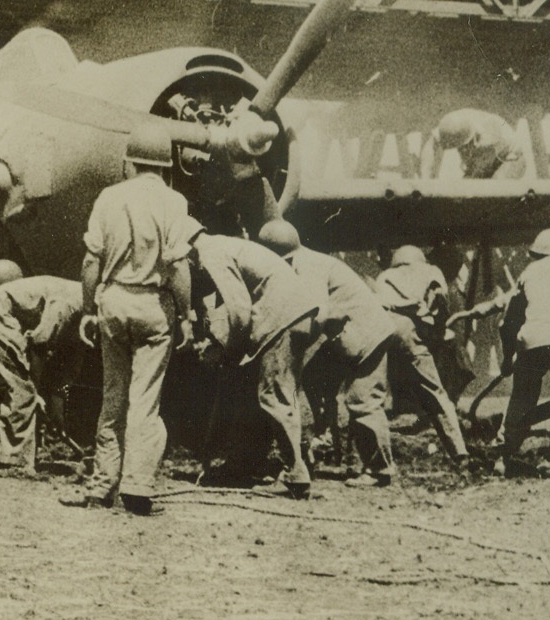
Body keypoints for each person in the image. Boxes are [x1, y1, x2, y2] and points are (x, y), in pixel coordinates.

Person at [61, 149, 200, 510]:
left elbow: (91, 259)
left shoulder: (109, 196)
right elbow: (179, 265)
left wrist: (89, 309)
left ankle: (101, 486)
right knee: (145, 401)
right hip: (154, 304)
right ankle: (137, 488)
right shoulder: (175, 200)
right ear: (167, 166)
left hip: (114, 301)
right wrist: (186, 315)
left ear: (129, 163)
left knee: (113, 397)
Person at [258, 220, 397, 488]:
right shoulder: (304, 260)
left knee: (363, 401)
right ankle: (315, 447)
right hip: (350, 335)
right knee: (312, 380)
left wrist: (292, 351)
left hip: (368, 335)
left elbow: (317, 315)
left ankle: (380, 470)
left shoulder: (307, 266)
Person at [188, 232, 319, 497]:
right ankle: (244, 464)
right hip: (287, 315)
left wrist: (228, 354)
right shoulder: (223, 246)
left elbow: (239, 311)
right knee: (255, 392)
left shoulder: (211, 253)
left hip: (280, 317)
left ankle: (295, 476)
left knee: (274, 394)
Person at [448, 228, 550, 476]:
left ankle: (502, 456)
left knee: (521, 400)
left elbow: (507, 317)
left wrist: (507, 357)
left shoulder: (530, 272)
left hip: (531, 341)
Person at [0, 270, 83, 473]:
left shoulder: (85, 316)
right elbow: (39, 345)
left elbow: (65, 364)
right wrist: (36, 391)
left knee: (20, 386)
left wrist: (57, 410)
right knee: (22, 386)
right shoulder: (71, 303)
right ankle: (13, 461)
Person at [374, 245, 470, 470]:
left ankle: (375, 461)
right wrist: (433, 333)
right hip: (409, 332)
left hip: (379, 328)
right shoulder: (431, 271)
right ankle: (460, 453)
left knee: (371, 397)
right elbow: (440, 302)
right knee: (434, 392)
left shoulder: (384, 276)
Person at [429, 109, 521, 179]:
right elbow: (432, 142)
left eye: (462, 148)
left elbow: (477, 174)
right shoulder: (454, 123)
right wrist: (426, 178)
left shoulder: (489, 140)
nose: (459, 151)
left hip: (509, 155)